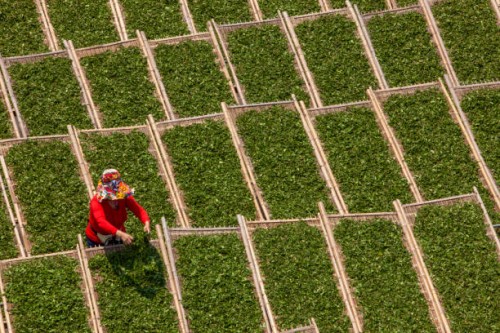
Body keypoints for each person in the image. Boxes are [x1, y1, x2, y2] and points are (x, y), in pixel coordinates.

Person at [85, 169, 150, 247]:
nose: (115, 198)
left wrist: (146, 221)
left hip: (117, 234)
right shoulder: (96, 202)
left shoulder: (123, 197)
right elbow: (101, 222)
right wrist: (121, 234)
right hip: (97, 238)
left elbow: (138, 210)